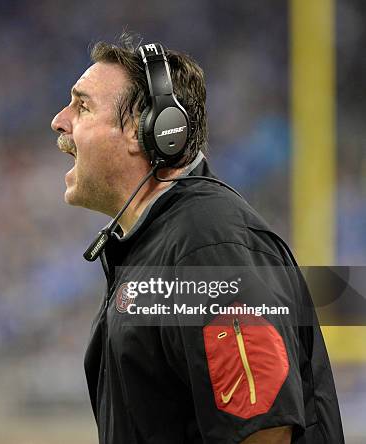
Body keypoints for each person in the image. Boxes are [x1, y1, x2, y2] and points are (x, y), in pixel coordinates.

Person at [50, 34, 344, 444]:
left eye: (82, 106)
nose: (59, 121)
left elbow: (263, 432)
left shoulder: (207, 243)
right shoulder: (165, 240)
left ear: (150, 130)